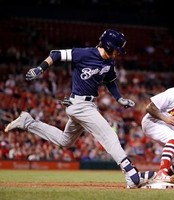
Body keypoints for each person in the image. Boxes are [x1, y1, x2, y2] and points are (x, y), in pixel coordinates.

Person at [5, 29, 156, 188]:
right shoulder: (83, 54)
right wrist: (40, 69)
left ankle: (28, 123)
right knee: (108, 135)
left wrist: (119, 98)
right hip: (79, 105)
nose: (118, 53)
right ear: (109, 46)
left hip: (87, 105)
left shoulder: (109, 62)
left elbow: (110, 81)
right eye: (117, 49)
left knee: (65, 141)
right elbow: (56, 54)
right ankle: (132, 175)